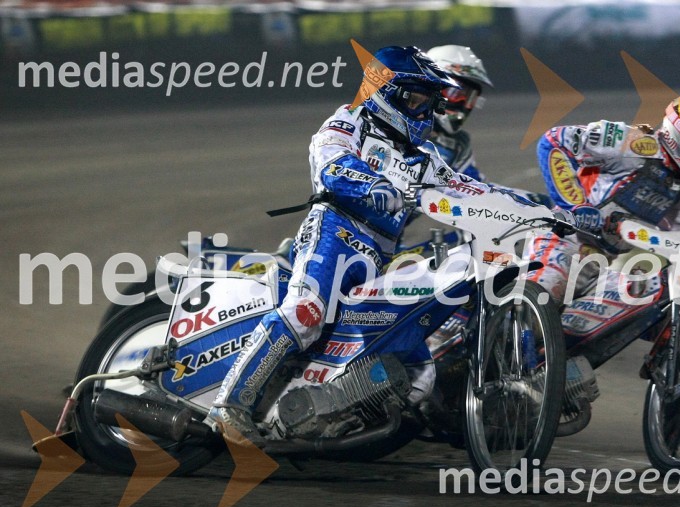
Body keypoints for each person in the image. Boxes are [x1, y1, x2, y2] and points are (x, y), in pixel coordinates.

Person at [206, 46, 567, 445]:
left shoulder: (424, 156)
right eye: (415, 100)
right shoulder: (349, 122)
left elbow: (470, 189)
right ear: (385, 92)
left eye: (428, 102)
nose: (423, 111)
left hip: (380, 255)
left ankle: (328, 417)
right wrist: (374, 184)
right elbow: (331, 163)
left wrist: (543, 210)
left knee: (417, 371)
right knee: (306, 313)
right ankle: (229, 406)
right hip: (334, 233)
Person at [526, 89, 680, 301]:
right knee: (545, 292)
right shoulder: (632, 142)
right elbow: (554, 140)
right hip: (561, 242)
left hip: (598, 266)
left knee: (649, 298)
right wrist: (574, 205)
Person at [424, 45, 493, 180]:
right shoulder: (398, 127)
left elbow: (475, 184)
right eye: (454, 93)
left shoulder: (459, 143)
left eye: (469, 95)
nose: (462, 101)